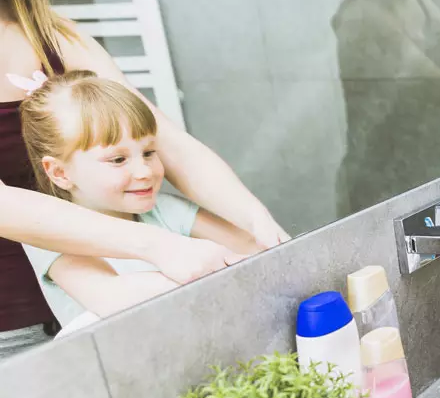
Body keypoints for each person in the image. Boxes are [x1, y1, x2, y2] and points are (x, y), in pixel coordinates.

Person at [0, 0, 287, 353]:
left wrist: (263, 229)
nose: (141, 169)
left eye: (144, 156)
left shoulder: (53, 35)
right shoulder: (63, 248)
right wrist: (162, 248)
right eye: (118, 160)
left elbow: (167, 140)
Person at [17, 71, 262, 329]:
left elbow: (251, 249)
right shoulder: (47, 235)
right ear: (60, 172)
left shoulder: (165, 210)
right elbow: (112, 298)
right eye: (118, 159)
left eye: (148, 152)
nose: (146, 172)